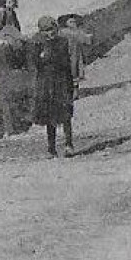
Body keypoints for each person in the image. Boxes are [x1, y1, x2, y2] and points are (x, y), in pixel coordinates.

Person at [30, 16, 76, 157]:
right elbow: (34, 64)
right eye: (46, 30)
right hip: (46, 84)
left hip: (61, 82)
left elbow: (66, 63)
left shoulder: (62, 42)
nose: (50, 33)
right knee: (50, 117)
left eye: (52, 29)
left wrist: (72, 84)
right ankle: (51, 148)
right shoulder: (37, 45)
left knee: (65, 115)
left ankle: (69, 145)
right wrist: (40, 57)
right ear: (41, 32)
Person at [0, 23, 31, 135]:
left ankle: (11, 128)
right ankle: (10, 129)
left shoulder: (2, 49)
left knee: (8, 104)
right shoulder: (2, 49)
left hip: (6, 79)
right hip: (5, 79)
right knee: (7, 104)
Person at [57, 13, 93, 83]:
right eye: (71, 22)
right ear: (65, 23)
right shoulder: (65, 32)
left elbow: (85, 40)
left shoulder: (76, 31)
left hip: (76, 53)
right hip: (69, 54)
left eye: (74, 22)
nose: (73, 23)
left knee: (75, 70)